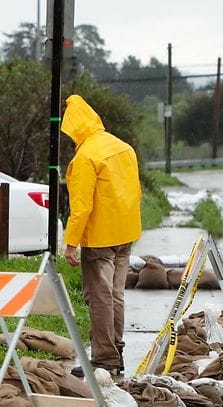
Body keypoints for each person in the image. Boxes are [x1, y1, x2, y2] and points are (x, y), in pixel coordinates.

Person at [60, 94, 142, 376]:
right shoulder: (123, 148)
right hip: (126, 233)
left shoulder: (86, 156)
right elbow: (134, 192)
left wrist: (70, 243)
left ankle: (104, 359)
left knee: (100, 297)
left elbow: (81, 207)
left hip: (99, 239)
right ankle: (116, 351)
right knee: (116, 294)